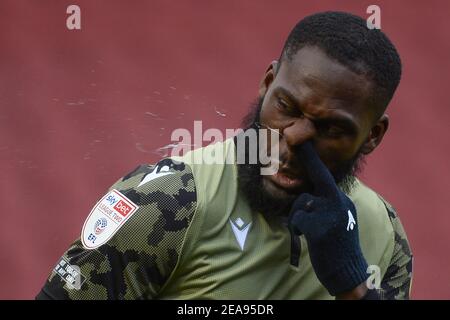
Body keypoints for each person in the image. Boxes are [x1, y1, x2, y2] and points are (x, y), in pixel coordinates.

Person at [36, 11, 412, 300]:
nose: (294, 139)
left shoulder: (383, 235)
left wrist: (354, 287)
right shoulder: (166, 205)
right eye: (287, 106)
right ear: (267, 84)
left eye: (330, 129)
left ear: (372, 136)